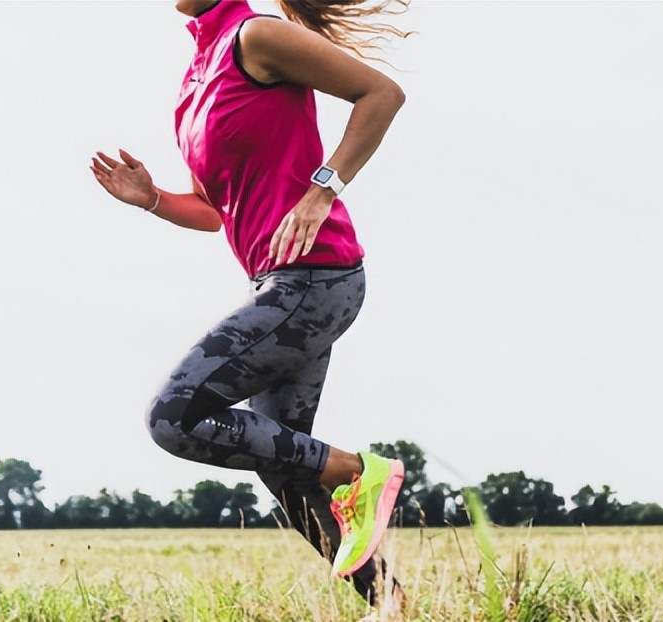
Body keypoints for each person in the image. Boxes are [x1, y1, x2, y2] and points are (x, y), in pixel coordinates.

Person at [89, 0, 410, 608]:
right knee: (287, 471)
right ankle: (393, 605)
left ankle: (359, 472)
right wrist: (153, 198)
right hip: (279, 283)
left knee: (174, 415)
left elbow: (382, 94)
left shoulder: (257, 36)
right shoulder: (197, 77)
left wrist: (323, 190)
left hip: (316, 277)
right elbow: (213, 213)